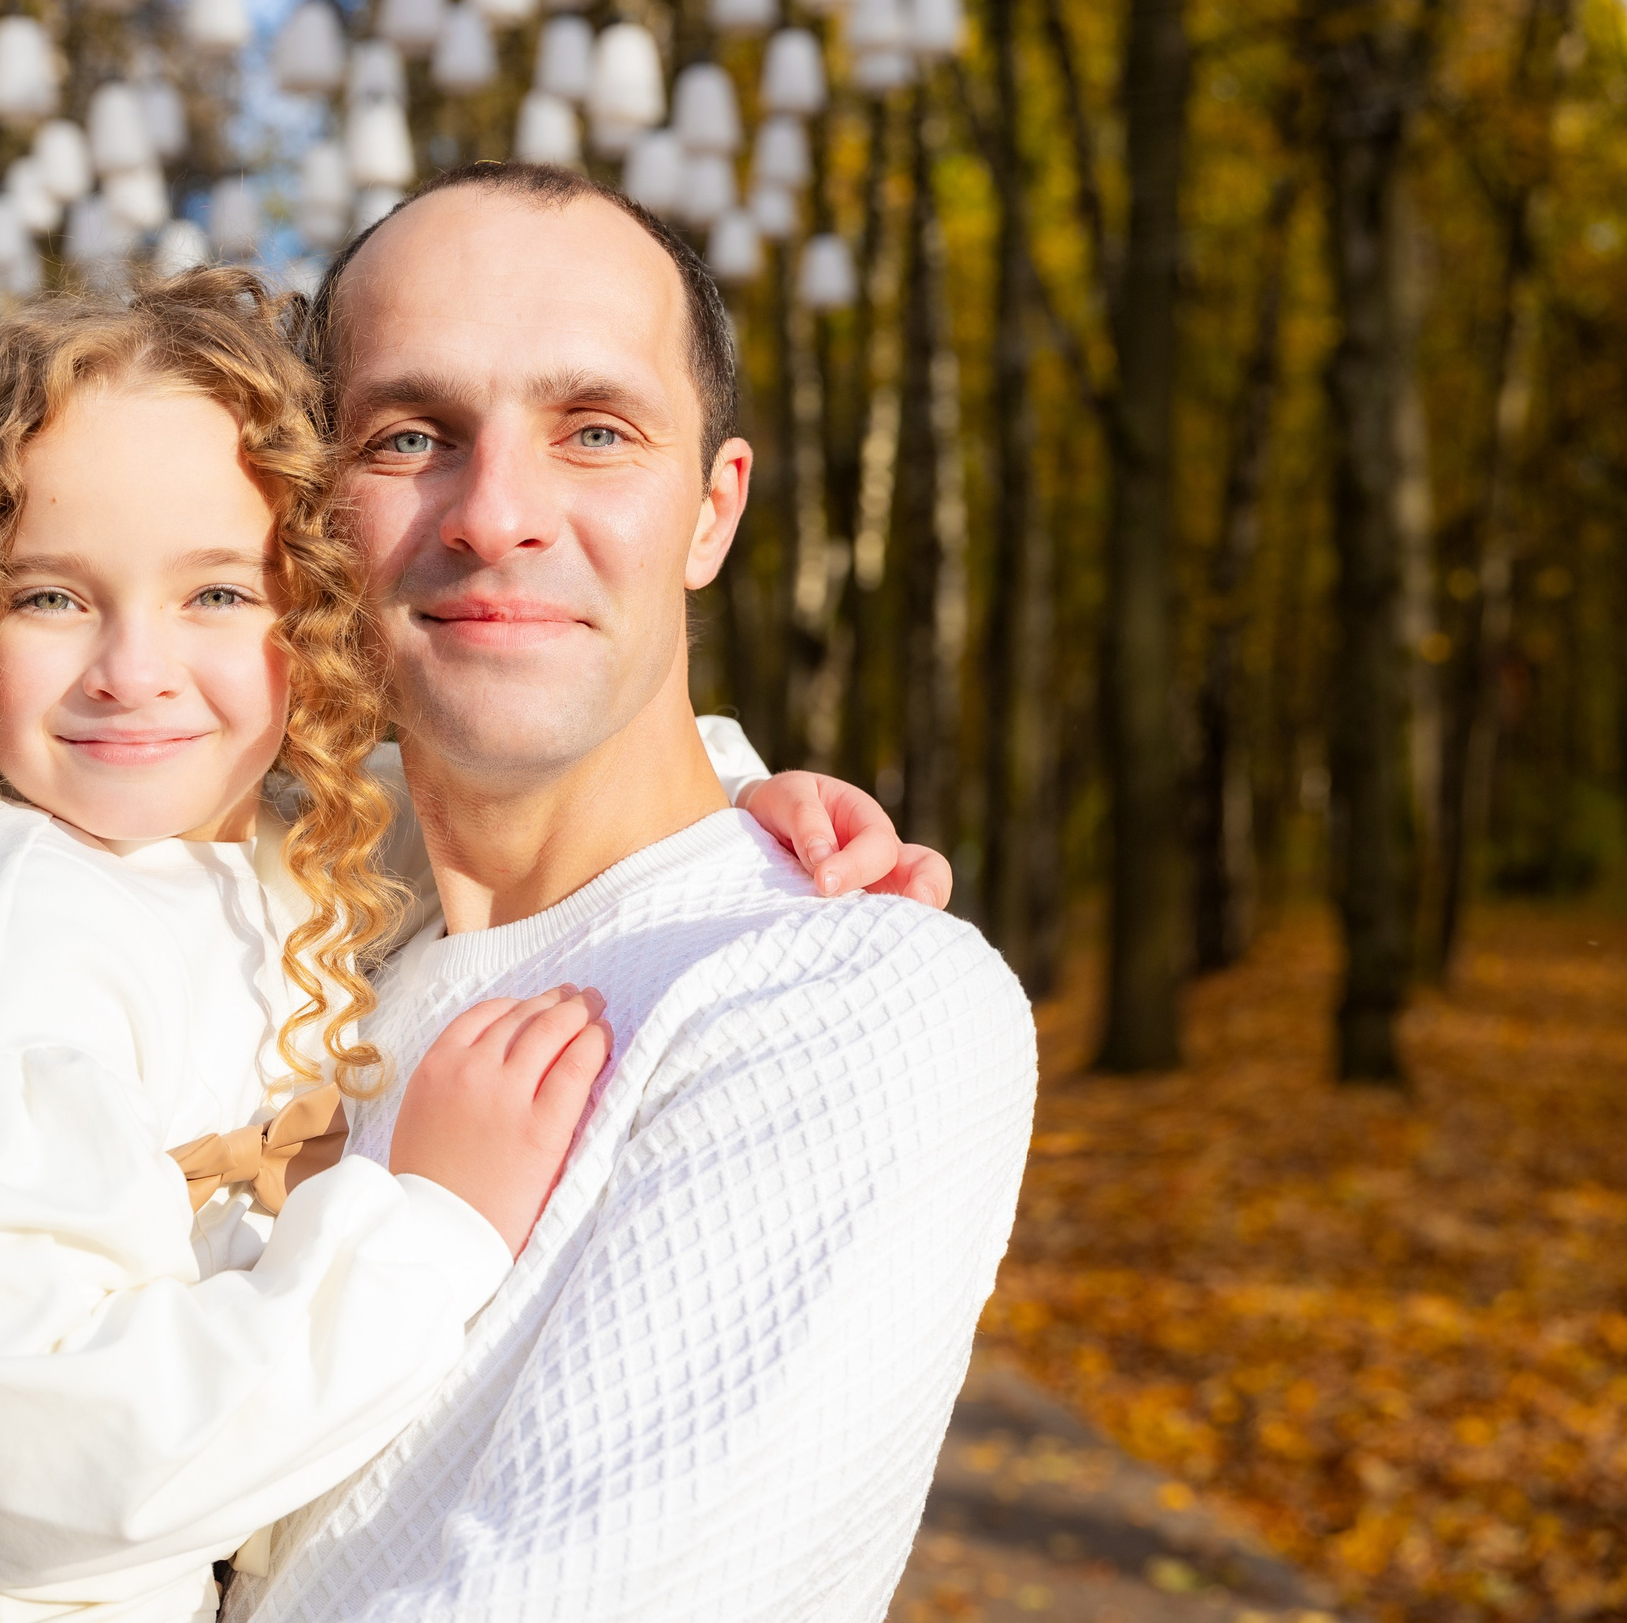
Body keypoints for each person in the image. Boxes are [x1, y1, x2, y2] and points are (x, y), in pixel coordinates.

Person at [0, 272, 928, 1623]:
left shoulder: (247, 850)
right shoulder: (13, 946)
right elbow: (50, 1483)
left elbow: (532, 831)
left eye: (217, 595)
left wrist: (734, 815)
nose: (133, 667)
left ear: (313, 617)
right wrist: (431, 1224)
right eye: (51, 599)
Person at [223, 166, 1039, 1623]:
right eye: (412, 435)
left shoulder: (845, 994)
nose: (498, 514)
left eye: (595, 431)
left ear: (712, 514)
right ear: (311, 514)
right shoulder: (268, 915)